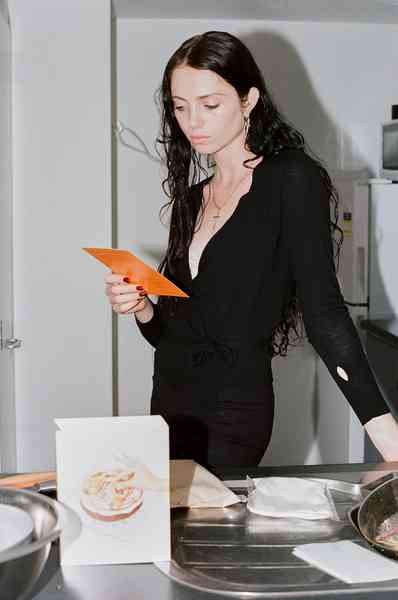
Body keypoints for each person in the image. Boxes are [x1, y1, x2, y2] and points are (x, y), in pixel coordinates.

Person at [105, 31, 398, 468]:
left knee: (209, 529)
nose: (193, 122)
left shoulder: (290, 178)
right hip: (168, 402)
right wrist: (143, 307)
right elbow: (171, 336)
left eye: (210, 104)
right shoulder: (192, 200)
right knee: (173, 530)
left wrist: (386, 433)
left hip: (232, 412)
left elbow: (326, 315)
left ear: (248, 100)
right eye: (180, 107)